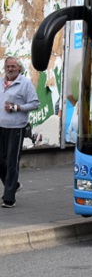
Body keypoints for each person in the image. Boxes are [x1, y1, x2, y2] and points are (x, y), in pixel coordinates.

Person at [0, 56, 40, 208]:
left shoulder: (25, 83)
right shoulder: (1, 81)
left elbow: (35, 104)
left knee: (12, 162)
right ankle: (14, 185)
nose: (10, 69)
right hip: (1, 127)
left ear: (19, 68)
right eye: (8, 66)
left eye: (13, 66)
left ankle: (9, 198)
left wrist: (17, 107)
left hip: (16, 128)